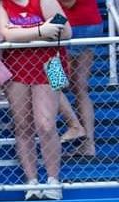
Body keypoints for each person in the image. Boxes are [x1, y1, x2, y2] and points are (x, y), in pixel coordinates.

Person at [0, 0, 69, 200]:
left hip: (52, 64)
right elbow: (5, 34)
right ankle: (32, 182)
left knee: (46, 125)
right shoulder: (3, 5)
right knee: (22, 126)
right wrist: (41, 30)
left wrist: (21, 33)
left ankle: (53, 181)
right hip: (16, 66)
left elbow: (65, 31)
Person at [59, 0, 101, 157]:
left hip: (70, 27)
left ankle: (75, 126)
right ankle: (88, 144)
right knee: (78, 87)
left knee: (52, 81)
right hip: (81, 23)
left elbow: (68, 2)